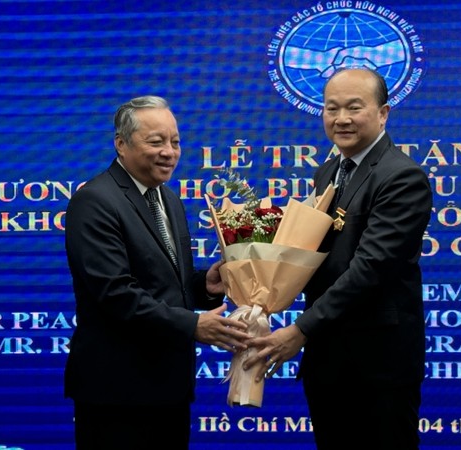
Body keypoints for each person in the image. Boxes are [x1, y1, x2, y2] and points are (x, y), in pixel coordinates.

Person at [244, 68, 433, 449]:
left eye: (353, 108)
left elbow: (370, 268)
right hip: (328, 359)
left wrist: (300, 330)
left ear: (383, 113)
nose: (341, 119)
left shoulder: (402, 177)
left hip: (377, 364)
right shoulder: (329, 171)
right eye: (331, 108)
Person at [63, 95, 249, 449]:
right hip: (117, 391)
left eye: (175, 141)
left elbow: (164, 282)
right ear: (121, 144)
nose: (169, 152)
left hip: (169, 386)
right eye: (156, 141)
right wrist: (193, 325)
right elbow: (115, 294)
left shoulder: (169, 199)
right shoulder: (96, 201)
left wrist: (204, 285)